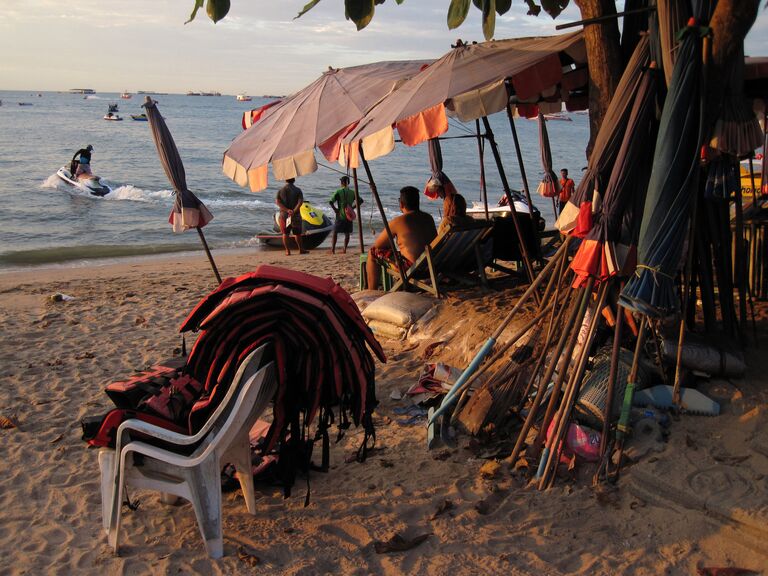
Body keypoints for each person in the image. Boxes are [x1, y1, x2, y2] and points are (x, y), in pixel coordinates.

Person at [366, 186, 437, 290]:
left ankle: (371, 291)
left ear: (401, 204)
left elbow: (378, 245)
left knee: (372, 252)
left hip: (413, 268)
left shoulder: (399, 221)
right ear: (418, 202)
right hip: (432, 266)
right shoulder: (428, 218)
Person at [329, 175, 362, 254]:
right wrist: (352, 208)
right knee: (347, 233)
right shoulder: (352, 192)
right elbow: (360, 201)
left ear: (342, 183)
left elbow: (330, 202)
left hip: (340, 215)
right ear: (348, 183)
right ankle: (344, 249)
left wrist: (335, 209)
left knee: (335, 232)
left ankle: (333, 250)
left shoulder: (338, 192)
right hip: (349, 216)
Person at [276, 177, 307, 255]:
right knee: (297, 233)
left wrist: (287, 210)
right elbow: (300, 202)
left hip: (284, 215)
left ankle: (287, 251)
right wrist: (293, 211)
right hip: (295, 215)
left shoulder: (280, 190)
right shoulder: (298, 190)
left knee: (285, 233)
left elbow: (278, 202)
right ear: (294, 180)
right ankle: (301, 249)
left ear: (285, 180)